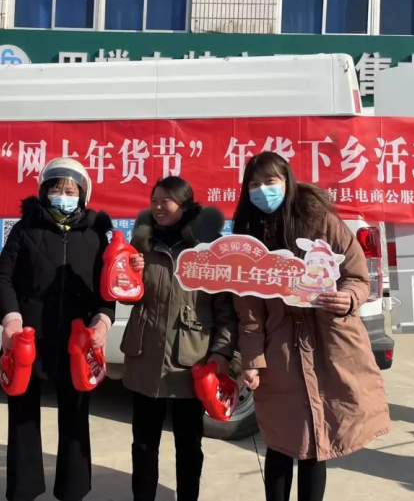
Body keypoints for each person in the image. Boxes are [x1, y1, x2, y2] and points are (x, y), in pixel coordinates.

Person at [232, 152, 390, 501]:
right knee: (280, 440)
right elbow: (249, 309)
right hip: (280, 349)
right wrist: (253, 361)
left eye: (270, 182)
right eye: (254, 184)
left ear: (287, 181)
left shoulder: (321, 220)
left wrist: (348, 298)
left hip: (327, 342)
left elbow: (356, 276)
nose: (262, 191)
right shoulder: (248, 234)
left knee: (319, 441)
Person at [0, 157, 114, 501]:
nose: (64, 196)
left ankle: (73, 491)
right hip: (28, 340)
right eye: (57, 189)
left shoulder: (95, 235)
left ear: (83, 195)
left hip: (77, 340)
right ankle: (23, 490)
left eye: (71, 191)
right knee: (23, 417)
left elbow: (107, 288)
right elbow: (3, 278)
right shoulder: (25, 229)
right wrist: (12, 318)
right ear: (44, 191)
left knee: (75, 417)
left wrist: (102, 320)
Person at [122, 176, 237, 501]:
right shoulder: (141, 244)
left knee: (189, 444)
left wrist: (222, 354)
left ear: (185, 205)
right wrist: (130, 271)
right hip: (145, 357)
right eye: (154, 200)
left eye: (166, 201)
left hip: (190, 362)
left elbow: (226, 311)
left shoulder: (208, 249)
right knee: (144, 444)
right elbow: (126, 296)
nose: (158, 207)